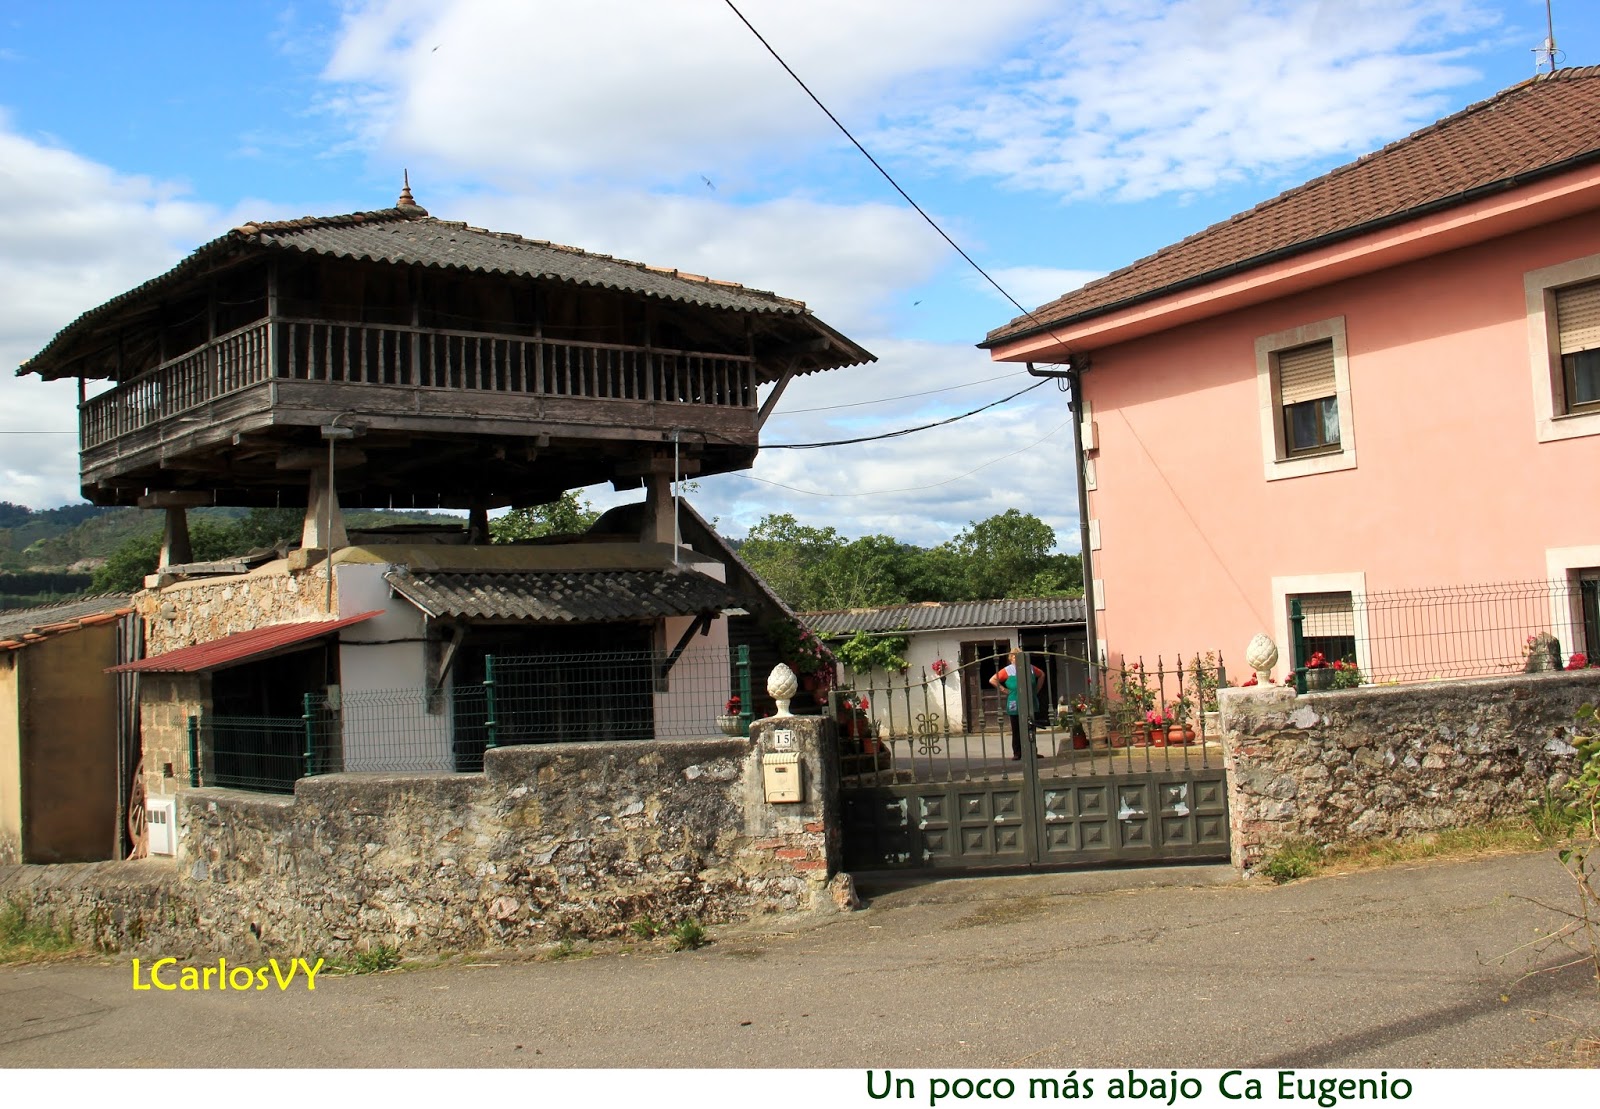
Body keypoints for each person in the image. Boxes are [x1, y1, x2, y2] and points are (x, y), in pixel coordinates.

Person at [989, 647, 1045, 760]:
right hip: (1015, 701)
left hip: (1030, 701)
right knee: (1016, 728)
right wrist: (1004, 690)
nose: (1017, 659)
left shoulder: (1031, 668)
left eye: (1019, 656)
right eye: (1014, 657)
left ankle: (1032, 751)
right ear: (1011, 658)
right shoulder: (1007, 670)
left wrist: (1037, 690)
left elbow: (1042, 675)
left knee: (1031, 728)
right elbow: (993, 679)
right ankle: (1017, 753)